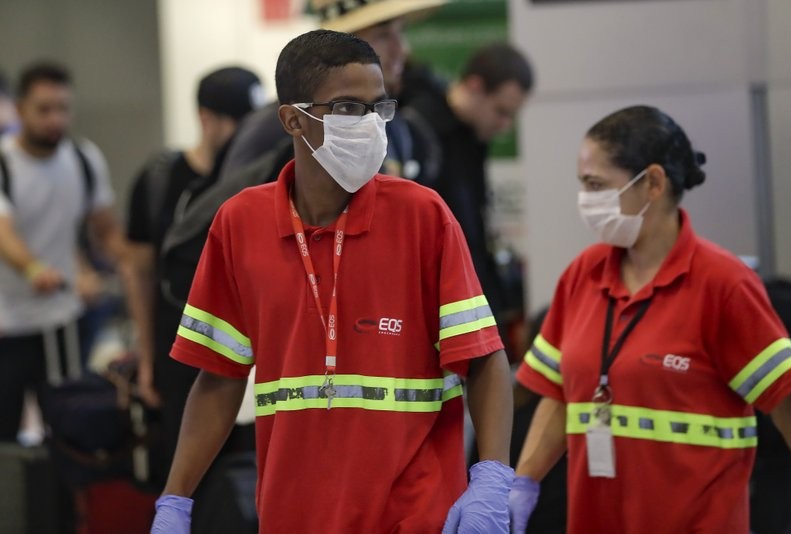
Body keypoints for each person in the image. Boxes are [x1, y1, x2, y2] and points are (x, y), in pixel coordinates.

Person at [151, 29, 515, 533]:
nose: (368, 124)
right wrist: (175, 500)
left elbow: (483, 358)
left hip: (415, 514)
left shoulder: (422, 215)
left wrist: (492, 477)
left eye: (378, 107)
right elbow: (219, 377)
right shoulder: (239, 223)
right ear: (292, 119)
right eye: (347, 108)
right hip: (293, 514)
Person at [508, 105, 791, 533]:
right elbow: (556, 394)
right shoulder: (582, 276)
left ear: (653, 184)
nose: (585, 200)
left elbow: (788, 403)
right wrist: (523, 484)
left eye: (596, 185)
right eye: (582, 184)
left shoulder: (723, 285)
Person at [126, 66, 264, 478]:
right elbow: (138, 270)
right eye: (240, 123)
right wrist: (147, 355)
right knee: (189, 468)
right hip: (180, 346)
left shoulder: (262, 180)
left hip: (248, 349)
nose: (249, 135)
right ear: (207, 119)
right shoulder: (161, 180)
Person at [0, 61, 146, 440]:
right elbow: (4, 234)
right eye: (44, 109)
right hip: (6, 324)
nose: (55, 119)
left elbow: (106, 229)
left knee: (67, 428)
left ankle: (61, 500)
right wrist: (34, 270)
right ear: (20, 110)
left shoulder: (83, 159)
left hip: (59, 322)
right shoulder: (4, 163)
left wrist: (135, 260)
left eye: (63, 109)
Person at [216, 0, 445, 182]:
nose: (402, 49)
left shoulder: (393, 124)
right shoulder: (279, 127)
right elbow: (233, 221)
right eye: (383, 35)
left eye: (400, 31)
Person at [404, 43, 533, 347]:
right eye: (501, 111)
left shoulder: (472, 136)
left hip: (465, 299)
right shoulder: (419, 127)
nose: (504, 125)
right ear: (475, 86)